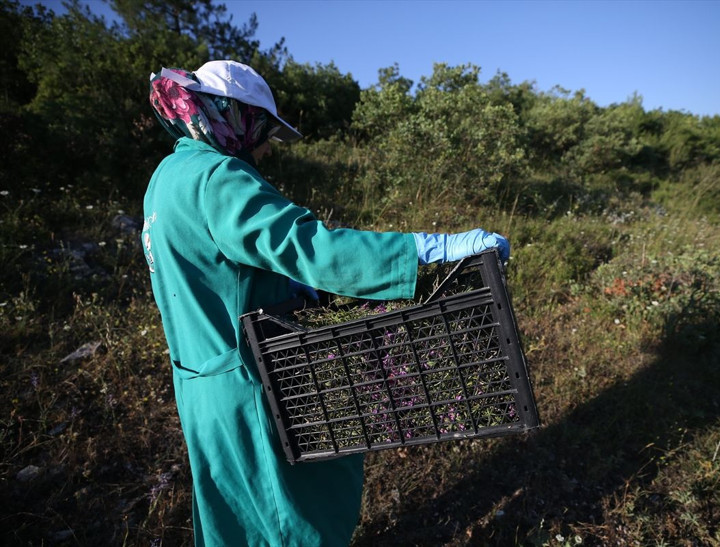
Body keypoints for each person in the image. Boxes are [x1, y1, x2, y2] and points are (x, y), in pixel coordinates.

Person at [143, 60, 510, 546]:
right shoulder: (219, 176)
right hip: (251, 384)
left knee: (236, 516)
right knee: (288, 519)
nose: (268, 145)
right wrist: (427, 248)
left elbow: (215, 265)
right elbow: (310, 247)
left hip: (200, 379)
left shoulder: (168, 174)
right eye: (265, 130)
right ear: (234, 114)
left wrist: (287, 289)